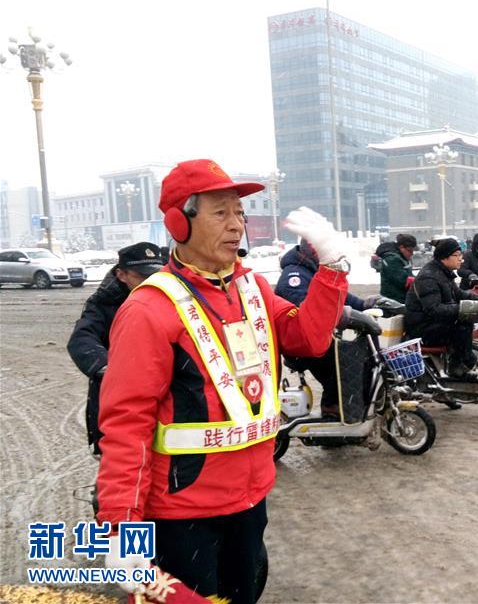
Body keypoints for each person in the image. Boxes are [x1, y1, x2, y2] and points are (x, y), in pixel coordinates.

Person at [96, 159, 348, 603]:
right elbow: (125, 423)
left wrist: (332, 268)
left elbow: (307, 339)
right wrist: (121, 530)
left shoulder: (251, 289)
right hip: (182, 512)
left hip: (250, 500)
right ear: (179, 221)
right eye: (220, 213)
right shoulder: (149, 310)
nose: (236, 225)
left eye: (240, 213)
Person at [67, 242, 166, 456]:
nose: (152, 282)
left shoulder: (171, 296)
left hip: (163, 404)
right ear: (122, 275)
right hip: (120, 402)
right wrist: (111, 369)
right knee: (120, 465)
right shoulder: (103, 303)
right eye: (143, 277)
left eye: (156, 275)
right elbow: (82, 339)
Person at [275, 239, 383, 418]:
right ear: (310, 250)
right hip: (301, 344)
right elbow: (305, 310)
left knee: (351, 356)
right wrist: (345, 316)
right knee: (342, 365)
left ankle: (345, 406)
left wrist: (364, 304)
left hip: (315, 338)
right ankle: (332, 408)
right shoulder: (294, 276)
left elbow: (337, 295)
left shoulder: (311, 271)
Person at [405, 238, 478, 379]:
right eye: (457, 255)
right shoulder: (429, 277)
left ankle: (463, 362)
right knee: (462, 325)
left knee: (465, 322)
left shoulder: (443, 273)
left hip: (432, 324)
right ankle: (458, 368)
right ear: (444, 257)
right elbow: (434, 309)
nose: (461, 259)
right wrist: (464, 308)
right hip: (422, 330)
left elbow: (459, 294)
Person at [375, 233, 417, 303]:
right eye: (409, 250)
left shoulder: (402, 258)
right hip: (394, 300)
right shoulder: (392, 259)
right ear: (401, 247)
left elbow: (409, 275)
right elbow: (403, 280)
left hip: (402, 297)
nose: (412, 253)